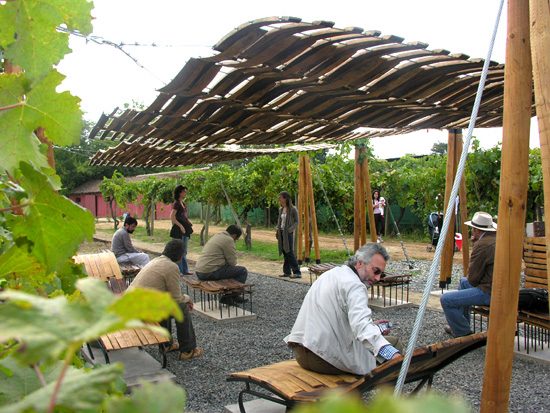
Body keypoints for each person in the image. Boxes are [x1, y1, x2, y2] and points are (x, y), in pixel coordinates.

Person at [284, 243, 402, 375]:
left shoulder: (333, 274)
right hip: (323, 358)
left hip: (302, 353)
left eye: (381, 274)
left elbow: (339, 318)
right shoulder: (355, 286)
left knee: (372, 342)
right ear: (360, 263)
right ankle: (389, 395)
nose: (378, 278)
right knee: (394, 344)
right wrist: (391, 354)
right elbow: (361, 327)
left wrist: (371, 326)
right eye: (376, 271)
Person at [129, 239, 203, 360]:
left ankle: (166, 344)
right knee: (181, 308)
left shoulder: (157, 261)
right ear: (180, 256)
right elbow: (176, 298)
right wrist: (188, 299)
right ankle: (188, 350)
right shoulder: (172, 267)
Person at [440, 211, 497, 337]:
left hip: (490, 292)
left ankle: (462, 332)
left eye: (472, 229)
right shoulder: (496, 238)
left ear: (477, 230)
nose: (471, 231)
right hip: (499, 286)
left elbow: (473, 279)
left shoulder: (482, 246)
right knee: (463, 282)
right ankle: (463, 323)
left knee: (446, 300)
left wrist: (475, 247)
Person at [194, 225, 248, 304]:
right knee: (242, 271)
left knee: (229, 270)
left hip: (199, 271)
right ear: (234, 236)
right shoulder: (228, 240)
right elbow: (232, 262)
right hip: (209, 272)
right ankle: (231, 296)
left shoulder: (217, 236)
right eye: (236, 239)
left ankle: (231, 296)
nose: (235, 241)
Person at [276, 191, 302, 279]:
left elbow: (297, 222)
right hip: (281, 233)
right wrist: (277, 227)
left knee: (290, 252)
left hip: (288, 234)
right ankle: (287, 272)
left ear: (285, 198)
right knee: (285, 252)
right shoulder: (281, 209)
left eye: (280, 197)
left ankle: (297, 272)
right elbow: (280, 221)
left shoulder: (293, 209)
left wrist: (290, 230)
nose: (279, 199)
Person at [170, 185, 193, 275]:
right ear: (179, 193)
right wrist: (180, 226)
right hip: (179, 230)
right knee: (179, 250)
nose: (185, 194)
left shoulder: (183, 204)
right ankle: (178, 270)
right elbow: (172, 217)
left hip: (185, 228)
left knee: (184, 250)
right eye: (184, 192)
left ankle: (185, 270)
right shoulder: (177, 204)